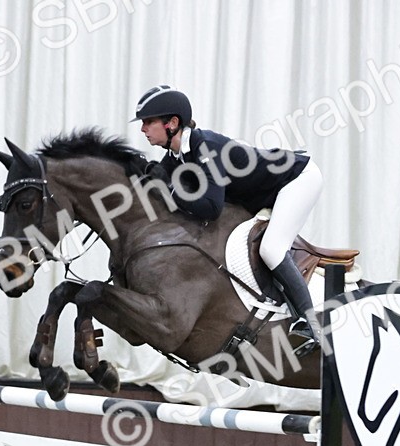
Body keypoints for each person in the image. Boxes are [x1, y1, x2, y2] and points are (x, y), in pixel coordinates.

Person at [132, 85, 322, 352]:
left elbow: (211, 208)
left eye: (148, 122)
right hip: (266, 192)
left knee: (271, 248)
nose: (143, 129)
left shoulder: (205, 148)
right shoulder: (178, 154)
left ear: (172, 123)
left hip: (298, 179)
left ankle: (310, 323)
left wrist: (170, 189)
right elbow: (157, 184)